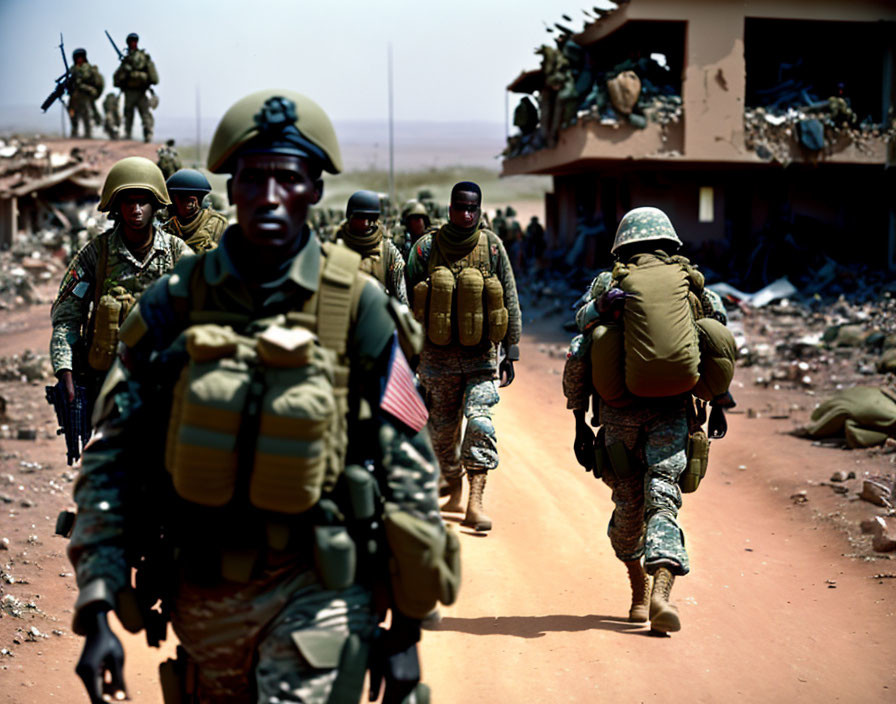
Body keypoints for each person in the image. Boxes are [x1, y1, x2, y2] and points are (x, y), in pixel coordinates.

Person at [66, 89, 459, 704]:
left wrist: (406, 628)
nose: (271, 196)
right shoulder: (174, 303)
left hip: (321, 588)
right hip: (202, 595)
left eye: (290, 177)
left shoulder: (358, 307)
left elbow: (407, 466)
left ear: (315, 189)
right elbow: (111, 457)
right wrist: (96, 604)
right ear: (231, 186)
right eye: (253, 178)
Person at [562, 206, 733, 634]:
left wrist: (579, 420)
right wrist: (718, 399)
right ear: (669, 241)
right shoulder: (690, 281)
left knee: (630, 509)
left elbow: (581, 331)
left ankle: (647, 590)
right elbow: (718, 335)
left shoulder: (610, 281)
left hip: (620, 418)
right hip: (672, 411)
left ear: (623, 243)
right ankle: (654, 589)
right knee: (663, 499)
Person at [405, 182, 522, 532]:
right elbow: (407, 300)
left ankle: (475, 500)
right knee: (442, 435)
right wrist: (409, 351)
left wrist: (511, 350)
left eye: (473, 208)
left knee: (481, 422)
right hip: (436, 360)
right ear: (450, 207)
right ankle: (453, 486)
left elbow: (510, 297)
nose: (467, 214)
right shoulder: (426, 248)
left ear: (479, 209)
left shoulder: (493, 247)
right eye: (461, 207)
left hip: (480, 358)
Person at [50, 156, 190, 412]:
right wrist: (65, 369)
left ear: (155, 204)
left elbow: (203, 312)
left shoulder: (177, 253)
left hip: (165, 381)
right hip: (107, 383)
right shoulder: (95, 254)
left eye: (143, 201)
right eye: (129, 201)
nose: (136, 209)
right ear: (117, 205)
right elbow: (66, 318)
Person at [335, 189, 408, 305]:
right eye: (360, 217)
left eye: (369, 218)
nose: (365, 223)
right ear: (350, 217)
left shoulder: (389, 252)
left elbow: (401, 298)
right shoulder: (335, 248)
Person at [161, 168, 228, 252]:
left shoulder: (219, 226)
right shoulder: (168, 229)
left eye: (173, 199)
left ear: (191, 202)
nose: (169, 204)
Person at [112, 32, 159, 142]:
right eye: (131, 42)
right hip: (129, 92)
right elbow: (117, 79)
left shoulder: (144, 57)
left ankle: (148, 135)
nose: (133, 44)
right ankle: (127, 134)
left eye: (134, 41)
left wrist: (135, 74)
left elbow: (153, 78)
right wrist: (125, 71)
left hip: (142, 91)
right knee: (128, 115)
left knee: (145, 114)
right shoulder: (126, 60)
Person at [68, 48, 104, 139]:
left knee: (86, 115)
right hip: (74, 96)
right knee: (73, 115)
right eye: (77, 57)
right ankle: (74, 132)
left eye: (81, 57)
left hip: (85, 95)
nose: (79, 59)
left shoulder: (89, 69)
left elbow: (95, 82)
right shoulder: (72, 69)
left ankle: (88, 133)